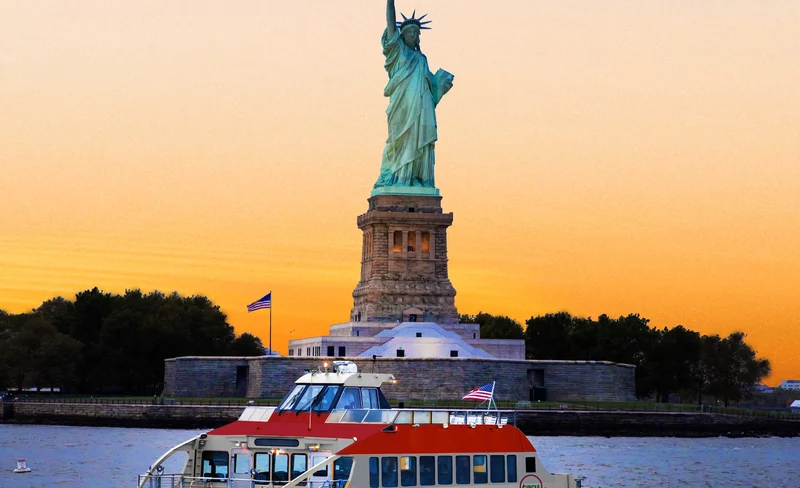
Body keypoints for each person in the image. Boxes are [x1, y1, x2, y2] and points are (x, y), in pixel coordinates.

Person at [373, 0, 454, 191]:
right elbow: (391, 24)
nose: (413, 35)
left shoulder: (421, 59)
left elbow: (432, 87)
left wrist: (442, 85)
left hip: (422, 105)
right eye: (409, 32)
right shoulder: (397, 51)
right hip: (402, 105)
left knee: (419, 140)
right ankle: (399, 176)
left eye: (416, 33)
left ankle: (416, 177)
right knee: (398, 140)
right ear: (402, 35)